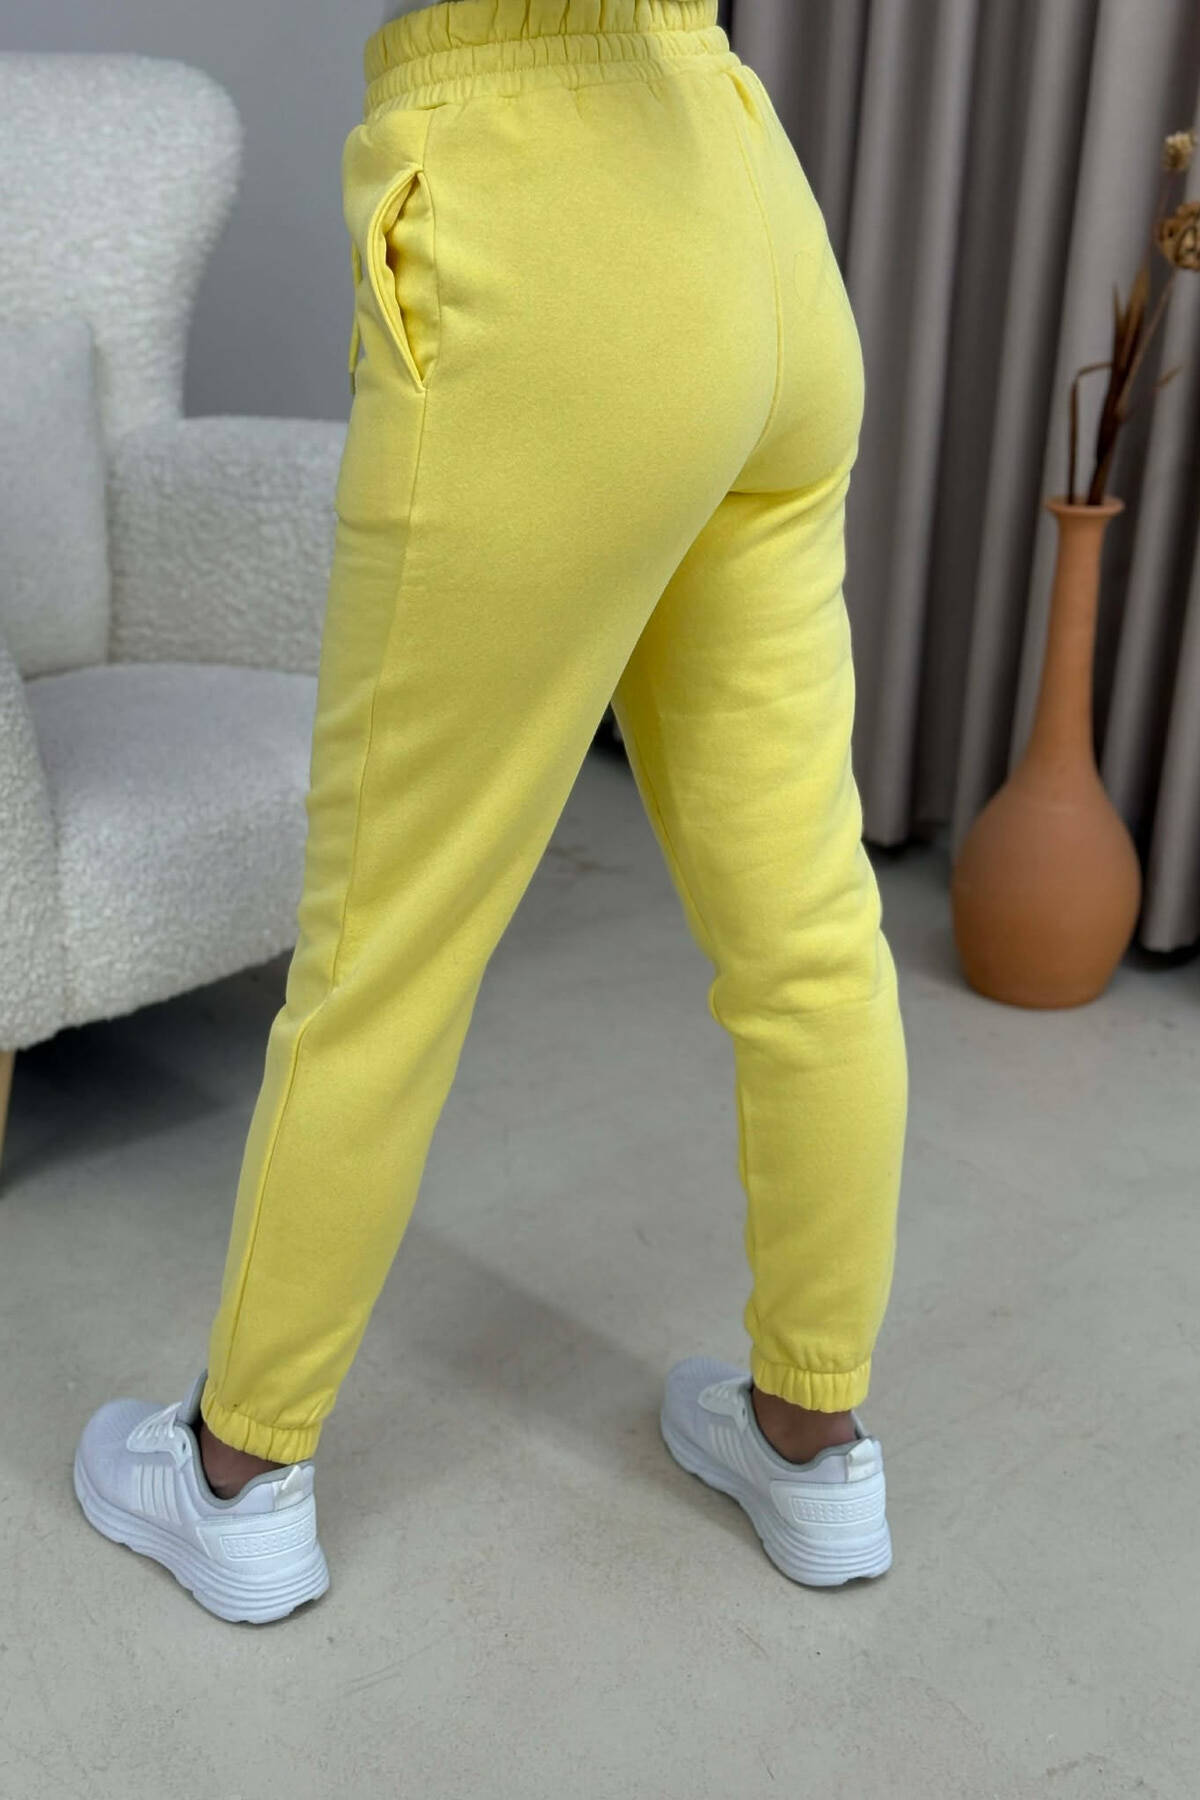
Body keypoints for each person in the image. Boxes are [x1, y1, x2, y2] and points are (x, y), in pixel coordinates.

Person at [73, 0, 908, 1623]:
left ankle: (236, 1476)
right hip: (752, 202)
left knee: (385, 942)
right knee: (807, 925)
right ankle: (815, 1441)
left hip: (545, 217)